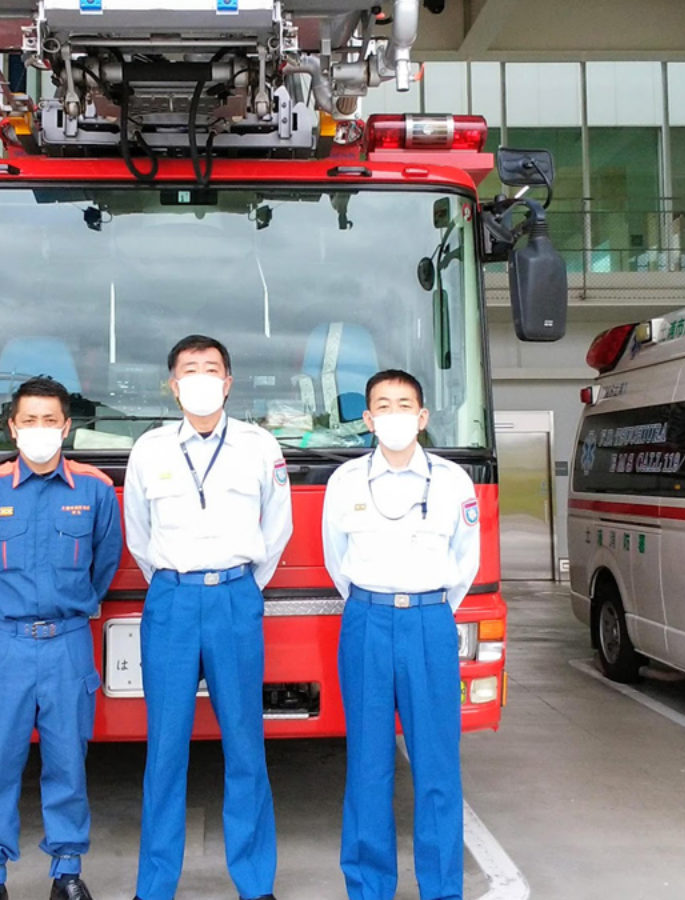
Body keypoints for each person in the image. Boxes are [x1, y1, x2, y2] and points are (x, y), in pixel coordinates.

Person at [123, 334, 293, 900]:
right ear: (172, 385)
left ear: (228, 382)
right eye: (188, 369)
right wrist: (178, 580)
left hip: (234, 599)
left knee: (245, 744)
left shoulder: (257, 444)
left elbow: (277, 528)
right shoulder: (148, 449)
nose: (200, 377)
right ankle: (155, 885)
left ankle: (254, 881)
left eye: (211, 368)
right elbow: (139, 535)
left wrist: (238, 584)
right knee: (164, 749)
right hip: (171, 601)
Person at [0, 376, 123, 900]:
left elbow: (105, 566)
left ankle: (67, 870)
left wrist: (63, 610)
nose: (39, 430)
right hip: (6, 644)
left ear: (67, 427)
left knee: (67, 762)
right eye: (29, 420)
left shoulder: (95, 491)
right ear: (12, 428)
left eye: (50, 420)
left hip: (68, 643)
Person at [321, 369, 480, 900]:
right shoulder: (345, 481)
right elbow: (337, 561)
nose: (394, 415)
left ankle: (441, 889)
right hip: (366, 620)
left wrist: (423, 607)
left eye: (404, 404)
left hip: (430, 623)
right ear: (367, 420)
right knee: (368, 765)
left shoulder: (453, 481)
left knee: (437, 764)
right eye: (383, 406)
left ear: (422, 416)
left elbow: (464, 562)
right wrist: (381, 601)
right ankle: (369, 887)